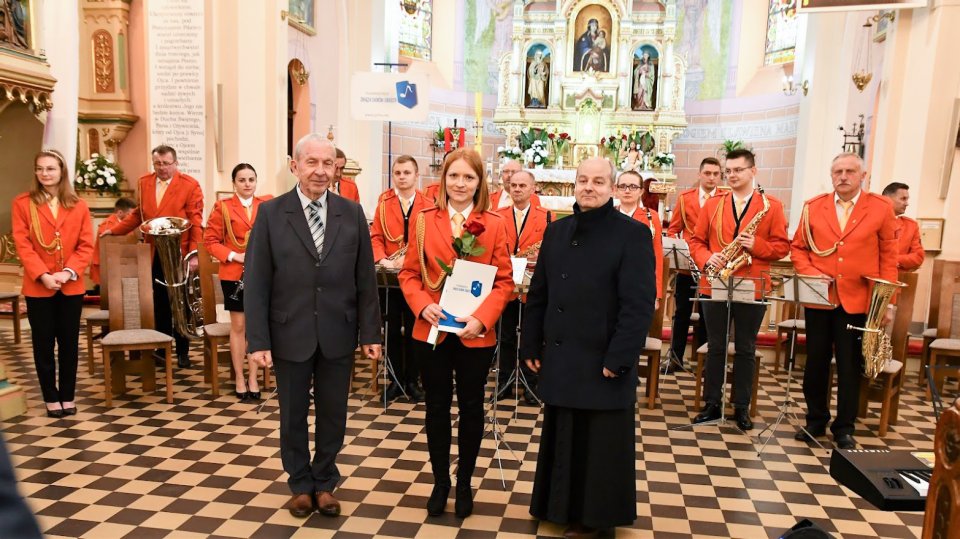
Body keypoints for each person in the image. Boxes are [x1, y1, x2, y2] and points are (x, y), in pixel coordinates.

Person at [244, 134, 382, 518]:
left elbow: (365, 279)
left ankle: (325, 482)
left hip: (339, 330)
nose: (321, 171)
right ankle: (300, 483)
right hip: (289, 331)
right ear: (295, 165)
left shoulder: (351, 212)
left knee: (334, 412)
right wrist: (258, 340)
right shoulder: (271, 214)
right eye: (312, 163)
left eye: (328, 164)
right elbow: (256, 282)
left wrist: (371, 333)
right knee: (292, 414)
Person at [521, 157, 656, 536]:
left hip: (602, 358)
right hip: (564, 356)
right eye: (583, 180)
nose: (589, 187)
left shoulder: (632, 234)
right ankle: (557, 505)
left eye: (598, 181)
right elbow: (539, 294)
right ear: (574, 185)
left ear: (612, 187)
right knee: (563, 432)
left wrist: (620, 357)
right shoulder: (557, 231)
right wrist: (531, 341)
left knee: (599, 442)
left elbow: (638, 304)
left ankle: (595, 519)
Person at [397, 148, 513, 519]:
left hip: (474, 333)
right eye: (454, 176)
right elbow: (409, 274)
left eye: (468, 178)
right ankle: (439, 482)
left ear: (480, 183)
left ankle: (464, 483)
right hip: (431, 329)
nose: (460, 184)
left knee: (471, 407)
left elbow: (505, 281)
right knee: (435, 407)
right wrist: (421, 305)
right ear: (443, 178)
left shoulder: (493, 223)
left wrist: (483, 318)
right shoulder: (423, 219)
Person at [790, 152, 898, 449]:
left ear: (863, 176)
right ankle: (815, 420)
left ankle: (844, 427)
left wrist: (887, 302)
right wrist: (811, 272)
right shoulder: (813, 207)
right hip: (820, 300)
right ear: (831, 174)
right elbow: (798, 248)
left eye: (850, 171)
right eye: (837, 171)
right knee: (815, 362)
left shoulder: (880, 208)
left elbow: (890, 257)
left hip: (859, 300)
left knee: (850, 365)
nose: (843, 176)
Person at [687, 149, 789, 431]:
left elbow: (781, 247)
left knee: (745, 348)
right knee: (716, 346)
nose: (731, 176)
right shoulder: (712, 204)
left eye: (738, 170)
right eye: (728, 171)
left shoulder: (772, 206)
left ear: (753, 171)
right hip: (715, 281)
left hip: (752, 284)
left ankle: (741, 406)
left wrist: (757, 246)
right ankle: (712, 404)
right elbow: (696, 242)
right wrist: (707, 257)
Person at [102, 144, 204, 369]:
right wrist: (116, 229)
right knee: (158, 302)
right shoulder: (144, 182)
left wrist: (194, 255)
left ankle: (183, 350)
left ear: (176, 164)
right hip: (154, 251)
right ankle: (161, 347)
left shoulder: (190, 185)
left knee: (179, 301)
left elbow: (196, 221)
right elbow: (139, 214)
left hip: (179, 251)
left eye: (167, 163)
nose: (162, 168)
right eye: (158, 163)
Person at [11, 149, 94, 418]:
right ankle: (50, 397)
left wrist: (68, 272)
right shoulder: (23, 203)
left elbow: (86, 245)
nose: (45, 174)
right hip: (38, 286)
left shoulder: (78, 204)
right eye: (40, 169)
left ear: (62, 172)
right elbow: (22, 244)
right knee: (43, 343)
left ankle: (67, 395)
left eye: (50, 169)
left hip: (70, 285)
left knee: (69, 344)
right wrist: (43, 275)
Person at [203, 163, 273, 402]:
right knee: (239, 327)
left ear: (256, 181)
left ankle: (254, 377)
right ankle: (240, 378)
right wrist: (234, 255)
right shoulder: (222, 207)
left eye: (251, 179)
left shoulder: (266, 205)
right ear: (234, 183)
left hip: (261, 274)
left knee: (257, 327)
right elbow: (210, 240)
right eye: (242, 180)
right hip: (234, 274)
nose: (247, 184)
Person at [370, 155, 432, 402]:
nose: (402, 177)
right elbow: (375, 237)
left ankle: (413, 380)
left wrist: (410, 261)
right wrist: (383, 260)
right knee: (393, 330)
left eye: (407, 172)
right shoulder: (383, 204)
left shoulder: (428, 204)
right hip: (390, 280)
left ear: (417, 176)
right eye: (398, 173)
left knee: (415, 330)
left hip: (418, 279)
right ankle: (394, 380)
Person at [495, 170, 551, 404]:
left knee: (531, 336)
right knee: (505, 336)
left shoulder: (546, 216)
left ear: (532, 188)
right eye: (513, 185)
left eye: (522, 185)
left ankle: (531, 383)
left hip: (532, 286)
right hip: (505, 285)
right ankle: (504, 382)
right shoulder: (497, 215)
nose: (517, 189)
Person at [666, 157, 720, 367]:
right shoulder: (685, 198)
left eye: (716, 174)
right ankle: (675, 359)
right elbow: (673, 229)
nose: (711, 178)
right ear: (699, 174)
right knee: (681, 314)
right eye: (707, 173)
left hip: (712, 267)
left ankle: (706, 362)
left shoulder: (725, 198)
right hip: (687, 267)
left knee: (709, 316)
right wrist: (681, 248)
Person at [617, 170, 664, 307]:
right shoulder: (608, 215)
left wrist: (657, 294)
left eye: (633, 187)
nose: (627, 191)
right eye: (623, 186)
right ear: (616, 190)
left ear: (641, 191)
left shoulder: (651, 217)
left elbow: (657, 255)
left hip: (640, 284)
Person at [90, 197, 136, 287]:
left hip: (120, 266)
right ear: (120, 212)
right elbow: (108, 247)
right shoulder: (107, 225)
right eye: (130, 214)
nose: (132, 218)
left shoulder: (128, 224)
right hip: (106, 267)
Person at [882, 181, 924, 272]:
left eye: (907, 199)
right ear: (887, 199)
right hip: (865, 277)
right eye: (903, 199)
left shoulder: (911, 226)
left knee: (883, 286)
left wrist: (894, 260)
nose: (906, 203)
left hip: (891, 279)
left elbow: (918, 257)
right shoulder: (870, 220)